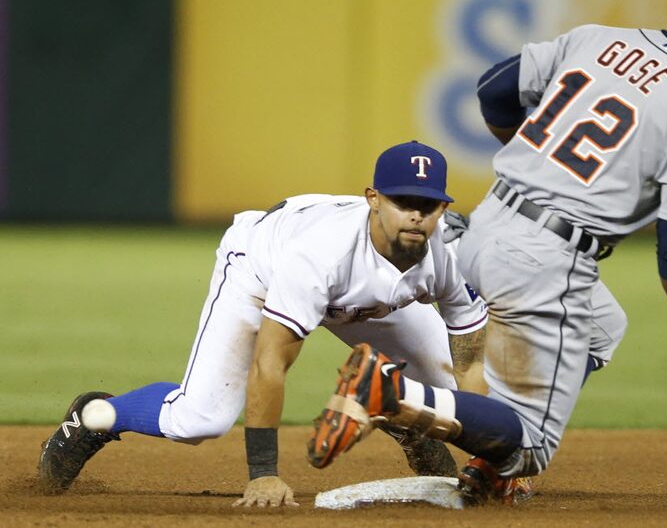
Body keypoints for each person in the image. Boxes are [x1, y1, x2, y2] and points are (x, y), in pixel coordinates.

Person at [305, 0, 667, 504]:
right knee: (528, 447)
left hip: (487, 222)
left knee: (603, 326)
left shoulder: (597, 38)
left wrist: (541, 168)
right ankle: (392, 393)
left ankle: (484, 458)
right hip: (546, 260)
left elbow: (494, 90)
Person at [38, 140, 489, 507]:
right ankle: (95, 416)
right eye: (402, 201)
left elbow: (471, 362)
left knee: (447, 383)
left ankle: (404, 419)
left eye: (428, 205)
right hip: (261, 269)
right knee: (199, 419)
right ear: (373, 199)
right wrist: (264, 475)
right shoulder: (318, 256)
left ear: (444, 209)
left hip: (366, 296)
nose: (416, 214)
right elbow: (270, 363)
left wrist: (490, 463)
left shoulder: (449, 252)